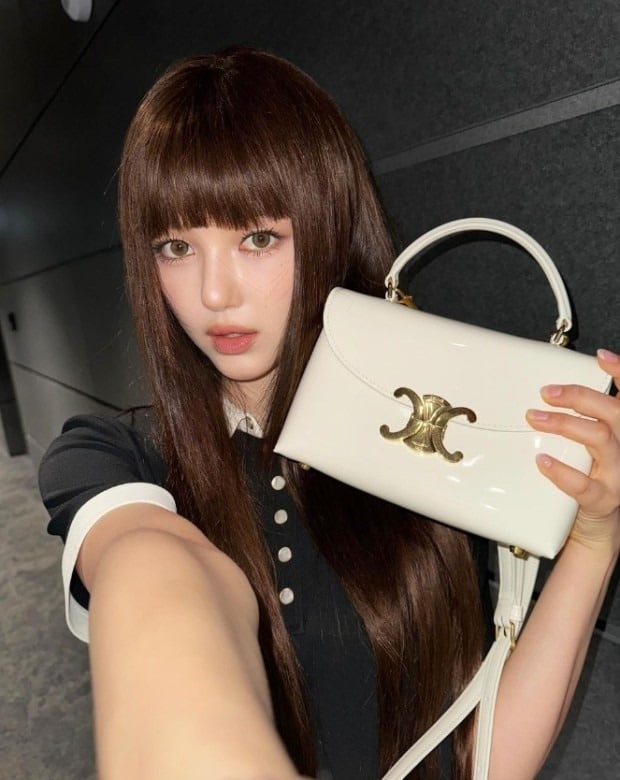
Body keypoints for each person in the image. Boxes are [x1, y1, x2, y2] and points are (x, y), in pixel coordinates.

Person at [39, 46, 620, 780]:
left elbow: (477, 759)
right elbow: (155, 574)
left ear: (328, 228)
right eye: (176, 246)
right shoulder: (108, 456)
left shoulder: (422, 432)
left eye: (258, 238)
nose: (215, 293)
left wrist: (595, 541)